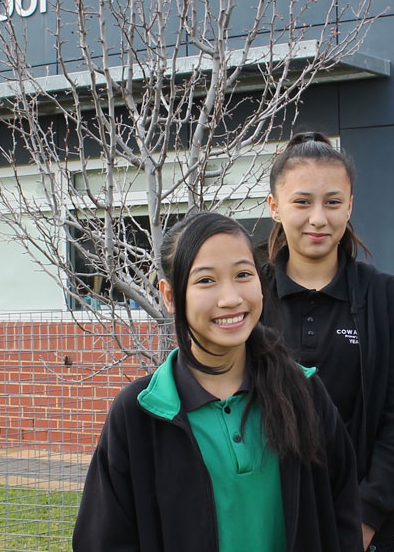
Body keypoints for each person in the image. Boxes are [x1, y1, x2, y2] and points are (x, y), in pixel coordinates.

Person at [73, 211, 362, 552]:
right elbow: (103, 540)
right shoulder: (140, 415)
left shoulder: (304, 393)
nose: (231, 298)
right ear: (169, 296)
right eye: (206, 280)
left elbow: (341, 513)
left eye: (243, 274)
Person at [261, 132, 394, 551]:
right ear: (274, 207)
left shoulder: (383, 298)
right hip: (263, 520)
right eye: (302, 202)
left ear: (350, 206)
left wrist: (363, 522)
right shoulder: (249, 295)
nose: (318, 218)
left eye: (333, 202)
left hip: (362, 529)